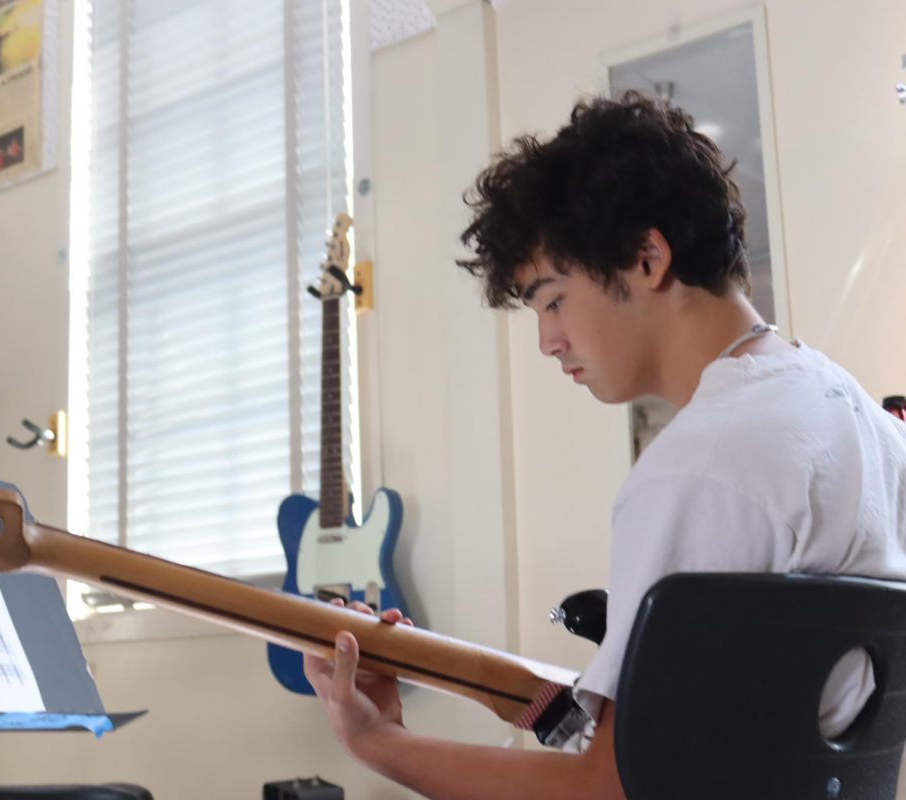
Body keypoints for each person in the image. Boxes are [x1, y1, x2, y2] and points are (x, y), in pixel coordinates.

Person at [303, 91, 906, 799]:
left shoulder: (700, 467)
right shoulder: (865, 424)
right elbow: (734, 729)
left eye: (554, 300)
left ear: (648, 258)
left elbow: (606, 788)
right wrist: (482, 681)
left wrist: (380, 742)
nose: (546, 341)